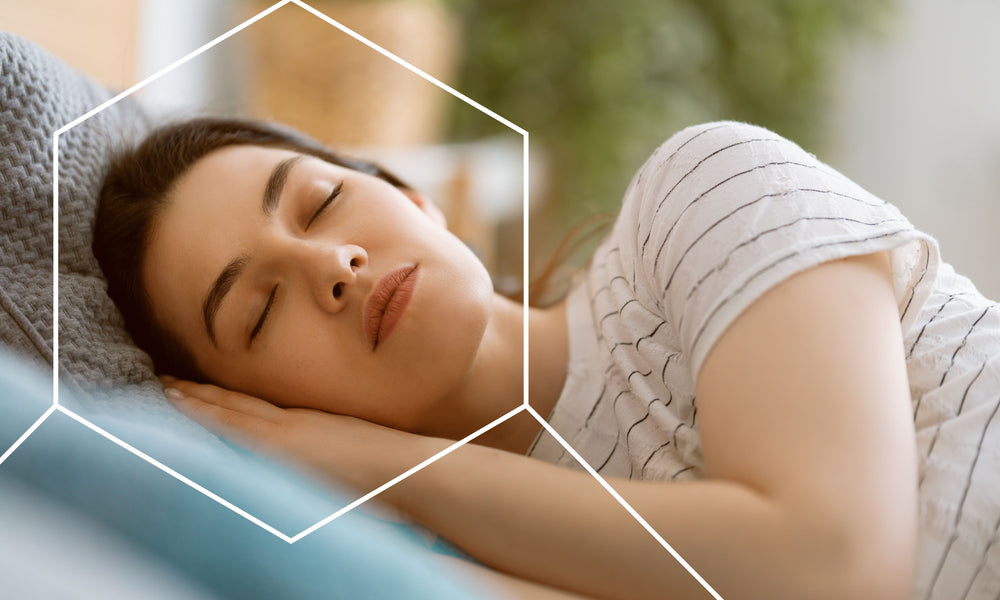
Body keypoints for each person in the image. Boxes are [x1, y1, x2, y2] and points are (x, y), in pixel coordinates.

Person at [93, 117, 1000, 600]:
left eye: (322, 203)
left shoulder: (704, 191)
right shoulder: (421, 563)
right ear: (257, 410)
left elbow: (829, 570)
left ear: (408, 193)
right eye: (259, 311)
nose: (332, 267)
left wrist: (386, 465)